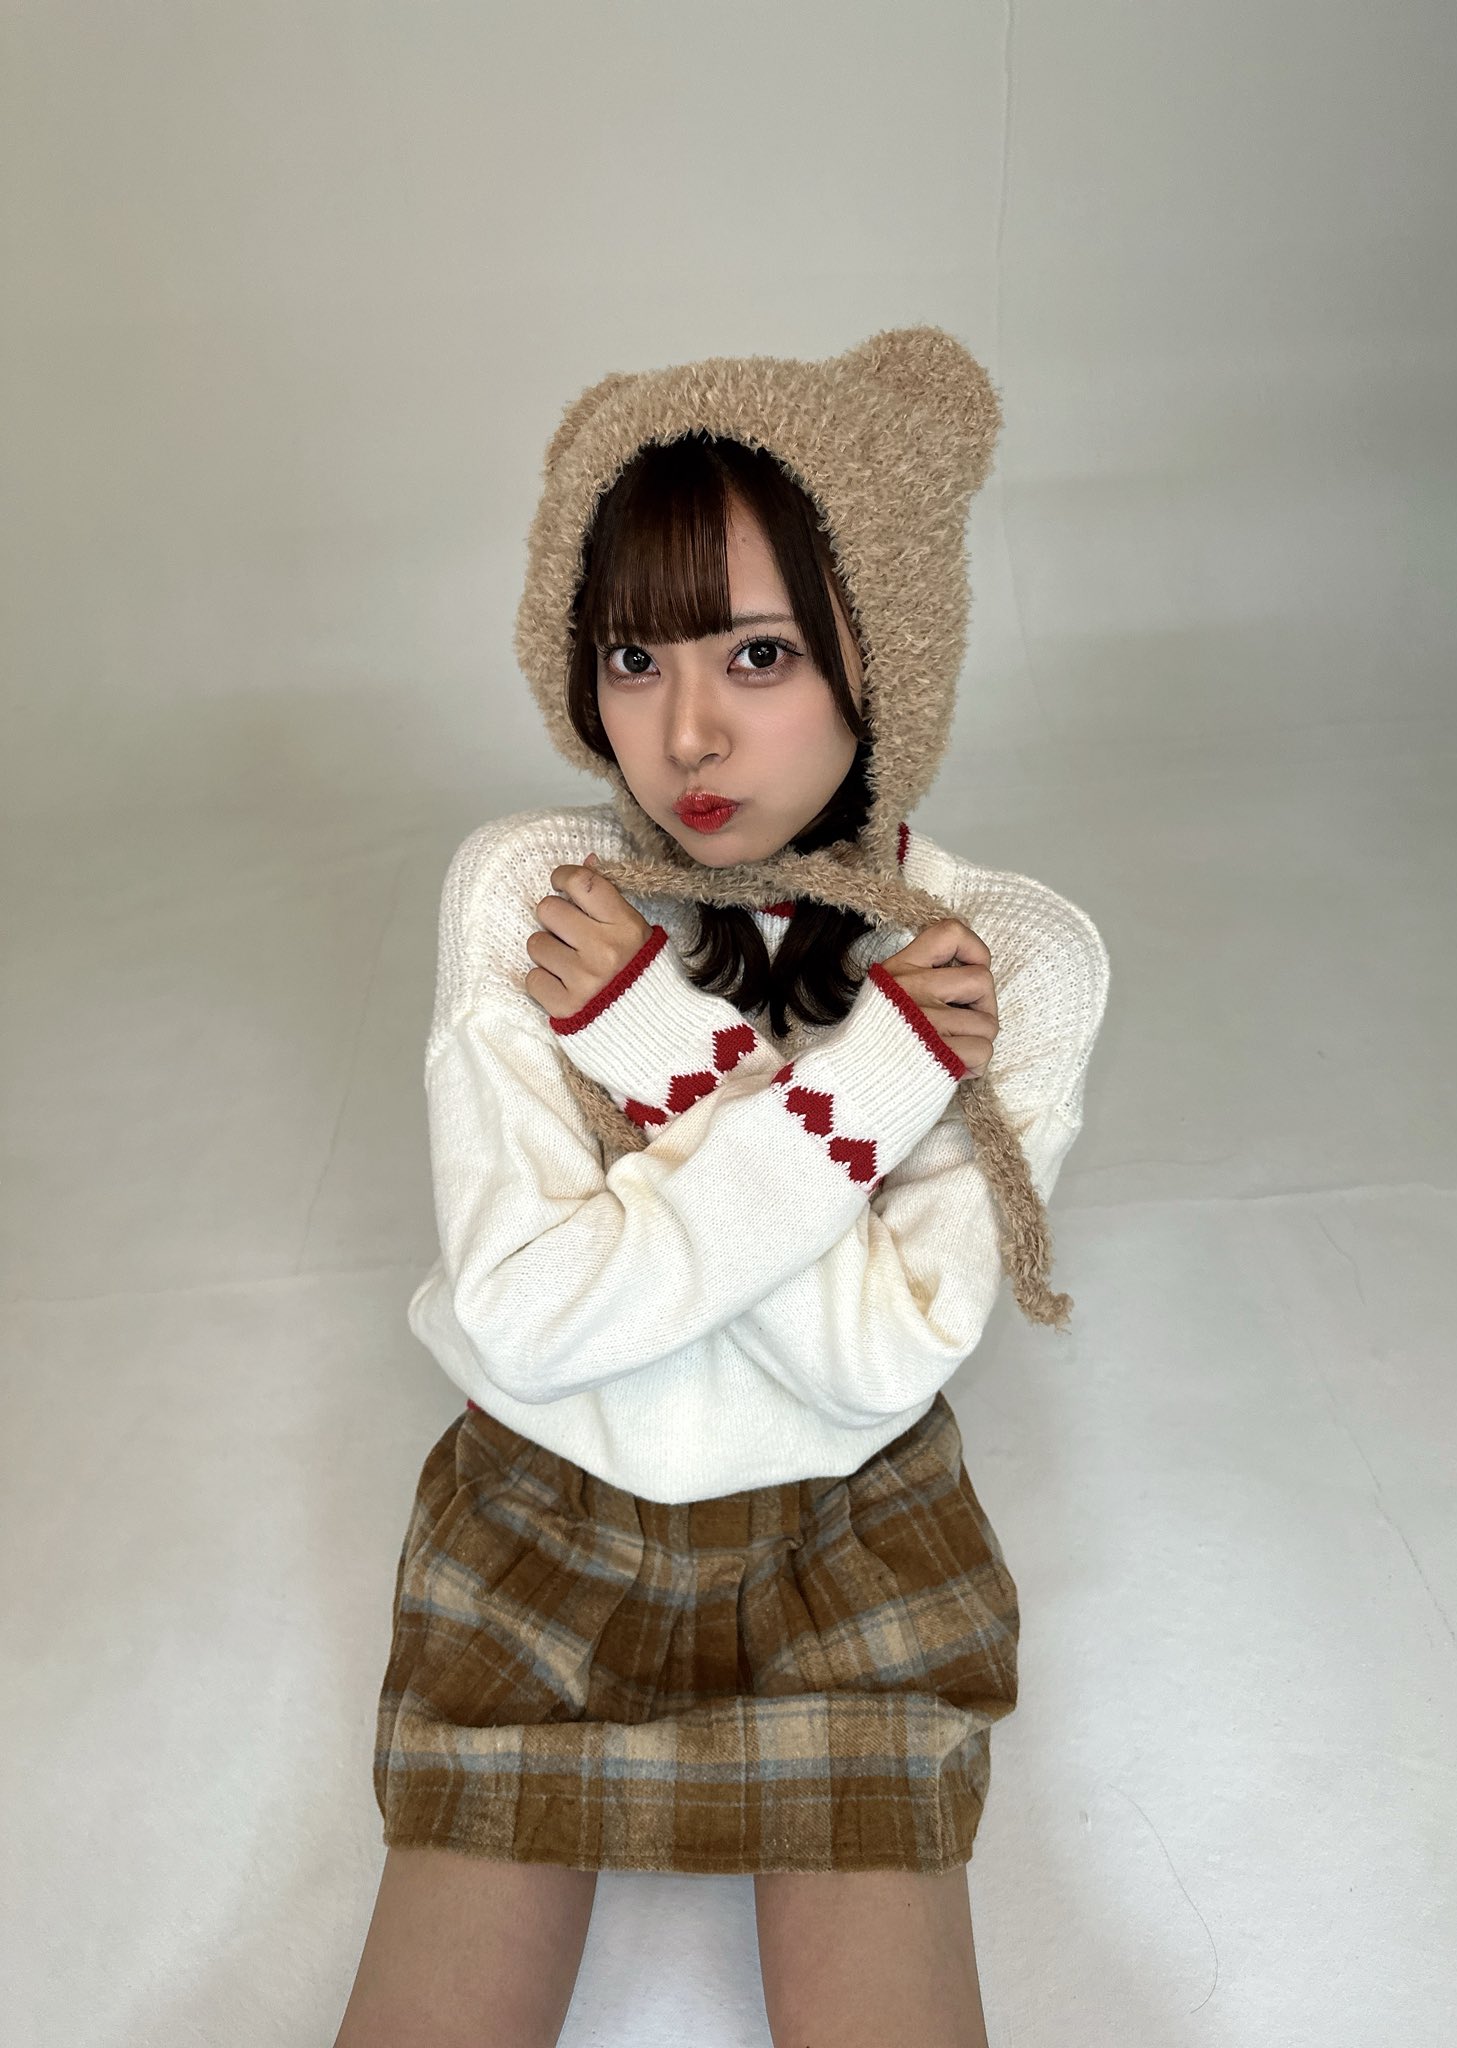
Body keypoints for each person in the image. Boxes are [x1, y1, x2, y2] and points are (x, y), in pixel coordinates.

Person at [335, 326, 1110, 2048]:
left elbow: (871, 1368)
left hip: (845, 1538)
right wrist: (831, 1081)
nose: (684, 732)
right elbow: (527, 1324)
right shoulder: (537, 890)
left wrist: (667, 1052)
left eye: (760, 653)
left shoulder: (1002, 954)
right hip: (540, 1531)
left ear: (885, 650)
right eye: (632, 656)